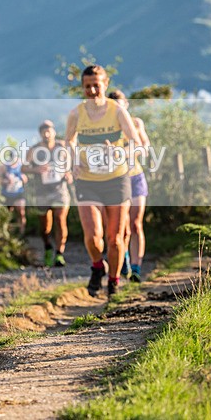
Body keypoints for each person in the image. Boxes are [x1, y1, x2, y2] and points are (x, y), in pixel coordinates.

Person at [65, 66, 140, 297]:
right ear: (83, 87)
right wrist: (73, 163)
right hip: (87, 180)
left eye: (97, 85)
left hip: (116, 180)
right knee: (93, 236)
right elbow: (68, 143)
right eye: (88, 86)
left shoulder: (117, 111)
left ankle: (114, 281)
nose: (92, 90)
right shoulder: (76, 114)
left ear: (105, 84)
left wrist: (120, 154)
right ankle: (98, 266)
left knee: (115, 238)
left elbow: (137, 145)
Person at [108, 90, 150, 283]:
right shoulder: (106, 127)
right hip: (116, 180)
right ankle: (123, 259)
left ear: (126, 104)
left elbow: (143, 147)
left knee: (135, 223)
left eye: (120, 103)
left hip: (135, 178)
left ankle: (136, 267)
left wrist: (121, 152)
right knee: (121, 226)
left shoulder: (135, 123)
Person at [23, 120, 72, 268]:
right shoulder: (34, 150)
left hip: (60, 190)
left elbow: (71, 164)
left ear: (54, 132)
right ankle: (48, 247)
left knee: (60, 219)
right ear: (40, 134)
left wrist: (69, 173)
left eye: (49, 130)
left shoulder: (62, 147)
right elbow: (24, 168)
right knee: (45, 227)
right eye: (43, 131)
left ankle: (59, 254)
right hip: (41, 191)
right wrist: (35, 170)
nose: (46, 133)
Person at [0, 154, 27, 234]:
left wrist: (24, 178)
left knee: (21, 212)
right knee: (7, 214)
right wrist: (6, 181)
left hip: (19, 193)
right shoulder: (4, 167)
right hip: (7, 194)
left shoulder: (21, 166)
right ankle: (6, 232)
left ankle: (21, 232)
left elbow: (26, 179)